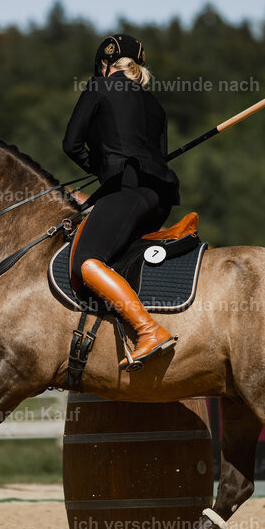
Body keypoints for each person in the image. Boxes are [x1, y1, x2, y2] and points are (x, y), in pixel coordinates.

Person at [63, 34, 179, 371]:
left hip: (127, 192)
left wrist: (103, 169)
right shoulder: (155, 105)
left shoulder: (99, 86)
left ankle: (147, 330)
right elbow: (158, 157)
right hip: (160, 199)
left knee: (86, 262)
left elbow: (71, 144)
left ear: (104, 64)